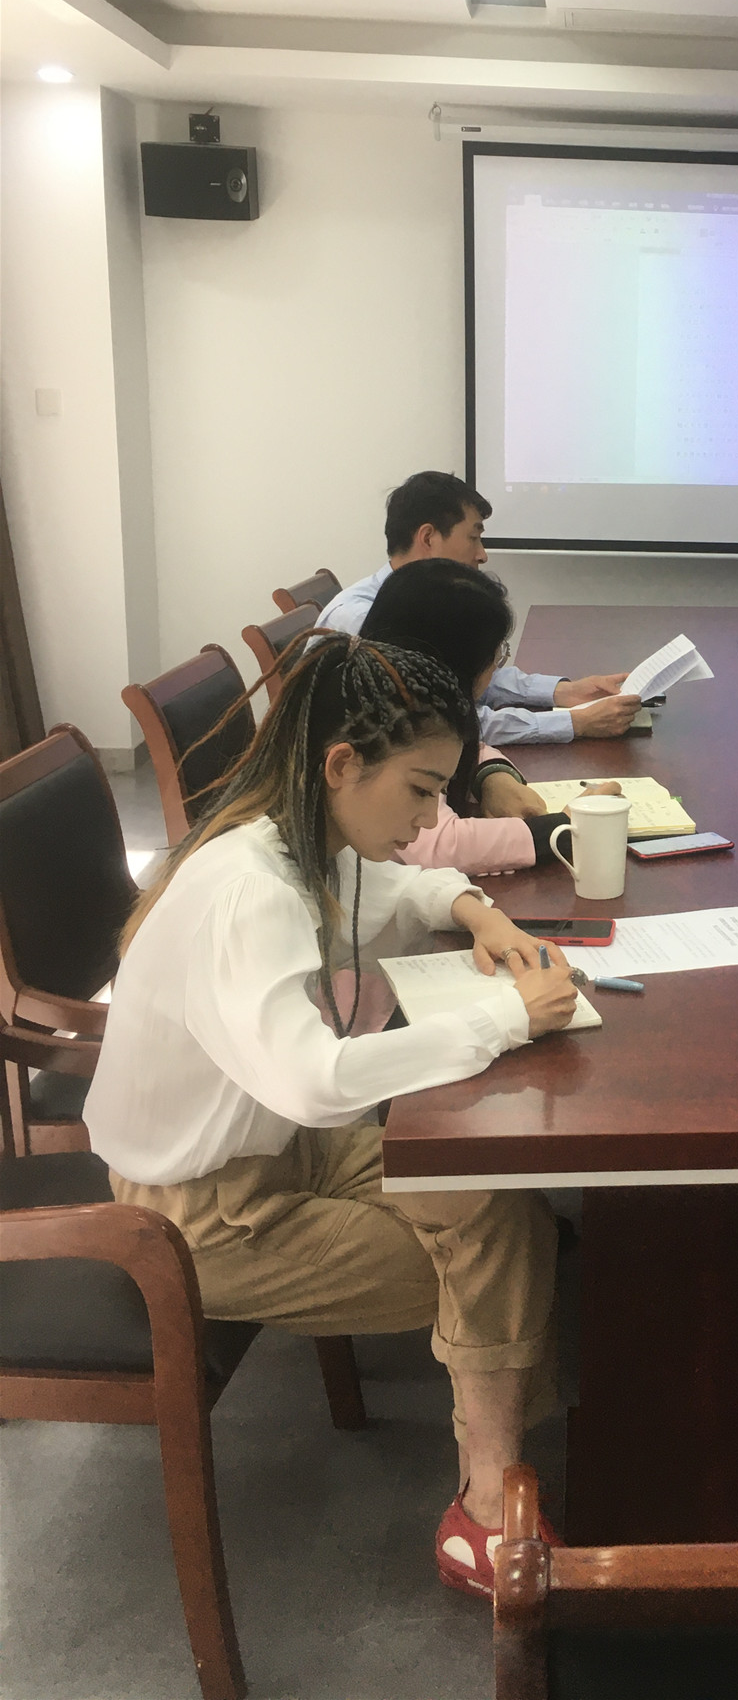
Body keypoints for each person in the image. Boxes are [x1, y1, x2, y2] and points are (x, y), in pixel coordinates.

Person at [83, 632, 579, 1599]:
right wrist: (505, 1019)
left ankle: (496, 1472)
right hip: (192, 1217)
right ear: (342, 765)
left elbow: (398, 888)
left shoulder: (292, 839)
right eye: (422, 791)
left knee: (497, 1212)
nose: (432, 817)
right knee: (498, 1272)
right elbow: (314, 1082)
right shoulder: (249, 892)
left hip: (281, 1153)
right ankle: (490, 1504)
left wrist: (479, 911)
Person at [319, 471, 639, 745]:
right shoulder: (366, 620)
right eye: (473, 538)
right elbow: (443, 723)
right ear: (428, 538)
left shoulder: (423, 603)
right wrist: (575, 722)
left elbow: (464, 680)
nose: (482, 555)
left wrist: (563, 692)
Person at [362, 557, 623, 875]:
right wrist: (566, 826)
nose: (495, 669)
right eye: (496, 657)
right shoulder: (383, 730)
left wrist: (491, 777)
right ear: (459, 665)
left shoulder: (397, 698)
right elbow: (441, 846)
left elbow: (470, 747)